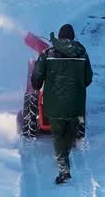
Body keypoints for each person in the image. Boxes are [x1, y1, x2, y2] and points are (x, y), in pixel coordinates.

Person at [30, 23, 93, 184]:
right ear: (72, 37)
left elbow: (37, 77)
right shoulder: (82, 54)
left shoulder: (47, 53)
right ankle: (64, 155)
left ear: (59, 36)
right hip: (76, 103)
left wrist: (37, 85)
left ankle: (64, 170)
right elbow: (88, 79)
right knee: (69, 133)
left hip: (55, 103)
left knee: (58, 135)